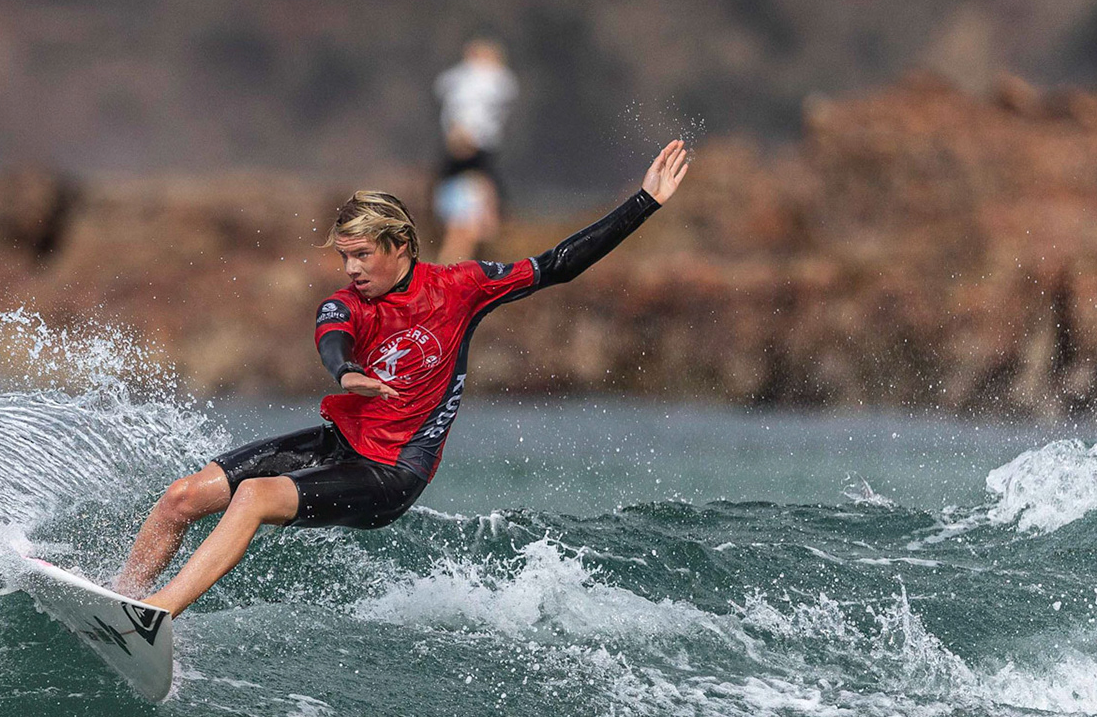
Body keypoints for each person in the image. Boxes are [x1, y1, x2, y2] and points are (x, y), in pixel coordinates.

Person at [114, 140, 691, 617]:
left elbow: (558, 264)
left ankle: (157, 613)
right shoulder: (349, 303)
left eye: (363, 255)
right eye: (345, 256)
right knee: (181, 497)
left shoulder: (461, 287)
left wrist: (645, 202)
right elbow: (333, 339)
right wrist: (347, 373)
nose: (352, 269)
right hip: (342, 444)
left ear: (402, 246)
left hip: (391, 473)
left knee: (255, 496)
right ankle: (119, 600)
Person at [433, 39, 519, 263]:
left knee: (474, 233)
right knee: (463, 235)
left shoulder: (481, 80)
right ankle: (447, 276)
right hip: (467, 169)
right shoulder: (482, 80)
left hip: (472, 164)